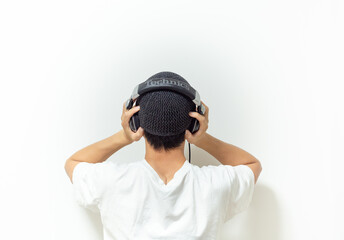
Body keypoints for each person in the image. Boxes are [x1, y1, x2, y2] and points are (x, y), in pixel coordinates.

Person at [64, 71, 262, 240]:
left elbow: (73, 163)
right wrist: (201, 139)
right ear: (193, 124)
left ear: (136, 122)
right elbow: (252, 165)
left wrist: (125, 136)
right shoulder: (215, 185)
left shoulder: (111, 181)